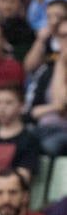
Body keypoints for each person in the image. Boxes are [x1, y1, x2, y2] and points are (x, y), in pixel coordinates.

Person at [0, 82, 41, 181]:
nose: (2, 107)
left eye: (8, 103)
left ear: (22, 107)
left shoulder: (29, 141)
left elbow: (22, 179)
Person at [29, 15, 67, 157]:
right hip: (41, 128)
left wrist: (61, 63)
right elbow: (32, 111)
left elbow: (61, 102)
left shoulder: (58, 65)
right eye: (62, 36)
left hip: (62, 131)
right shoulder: (47, 70)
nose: (66, 41)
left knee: (46, 146)